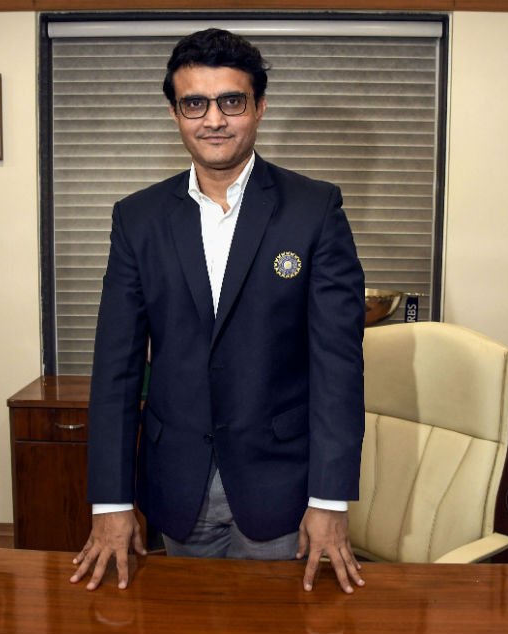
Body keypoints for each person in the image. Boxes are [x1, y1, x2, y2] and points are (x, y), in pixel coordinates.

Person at [70, 27, 365, 594]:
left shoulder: (314, 209)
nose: (214, 120)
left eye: (231, 101)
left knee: (274, 623)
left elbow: (338, 365)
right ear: (175, 113)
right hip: (177, 484)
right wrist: (111, 500)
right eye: (195, 104)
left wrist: (330, 499)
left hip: (282, 484)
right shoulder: (137, 218)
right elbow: (116, 368)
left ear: (258, 107)